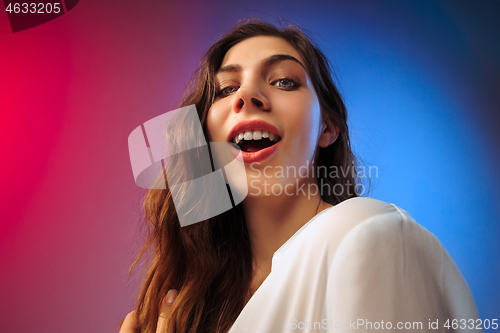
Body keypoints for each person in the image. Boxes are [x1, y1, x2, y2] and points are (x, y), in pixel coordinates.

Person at [120, 19, 481, 333]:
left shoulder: (369, 233)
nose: (246, 95)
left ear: (328, 127)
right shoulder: (199, 298)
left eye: (283, 81)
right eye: (227, 89)